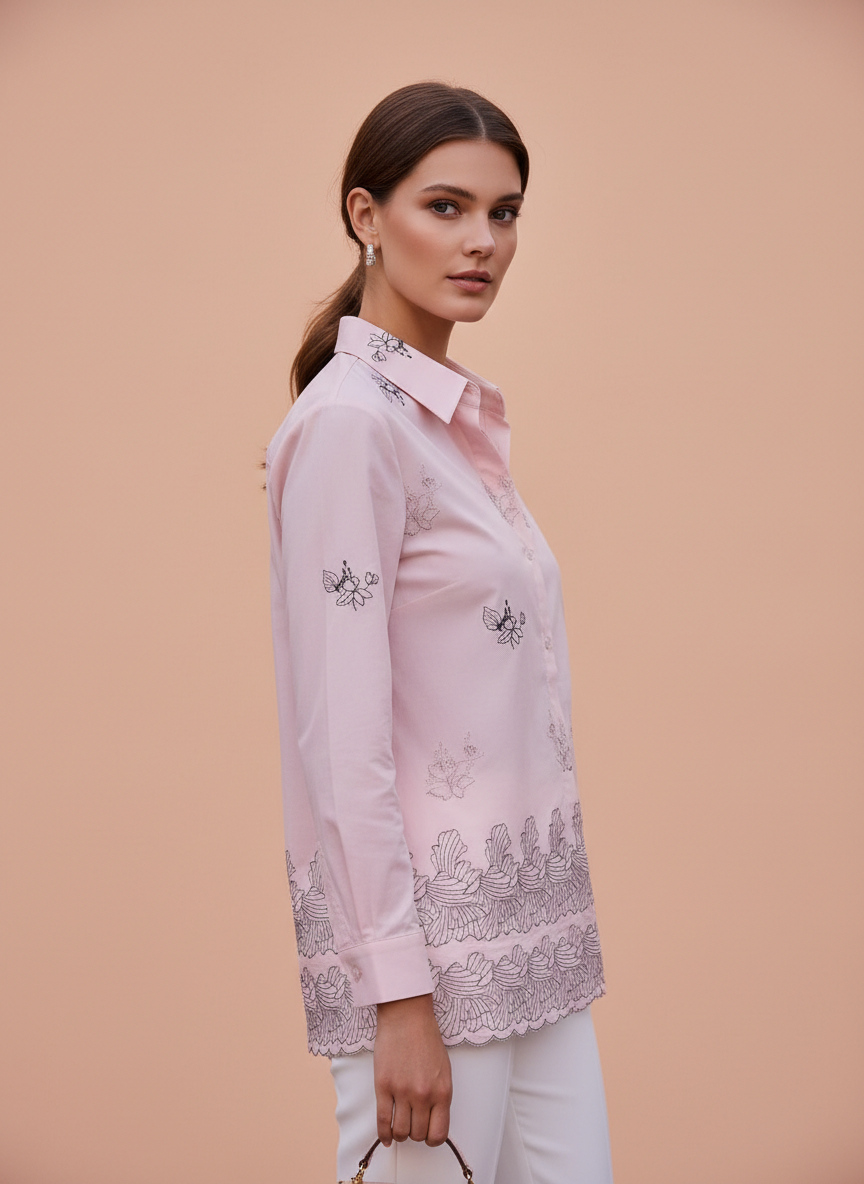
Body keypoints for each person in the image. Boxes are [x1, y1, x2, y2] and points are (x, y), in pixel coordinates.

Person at [266, 81, 613, 1184]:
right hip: (428, 959)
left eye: (504, 213)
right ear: (366, 215)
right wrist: (398, 994)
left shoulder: (446, 422)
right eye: (446, 207)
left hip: (534, 938)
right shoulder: (348, 426)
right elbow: (341, 737)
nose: (483, 243)